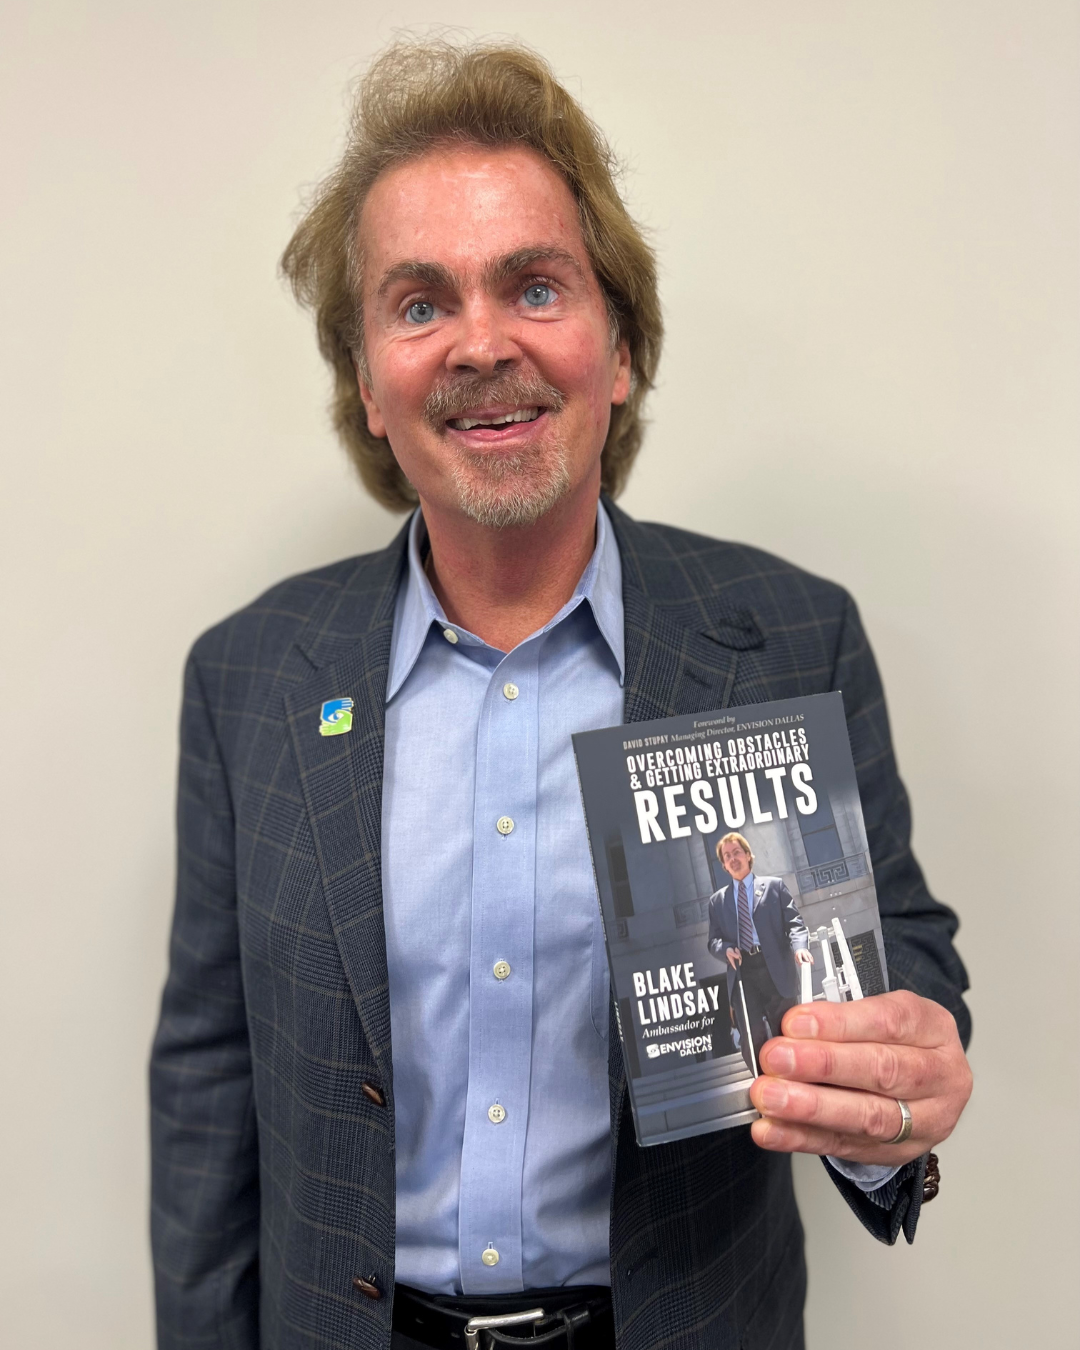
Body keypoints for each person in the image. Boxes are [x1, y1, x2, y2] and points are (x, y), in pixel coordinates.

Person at [149, 39, 973, 1350]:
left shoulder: (789, 635)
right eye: (419, 303)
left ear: (622, 347)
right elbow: (208, 1074)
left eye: (535, 285)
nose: (483, 344)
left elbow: (895, 962)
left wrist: (893, 1092)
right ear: (367, 382)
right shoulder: (248, 675)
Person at [707, 832, 812, 1075]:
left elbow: (794, 923)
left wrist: (801, 948)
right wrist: (725, 949)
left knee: (785, 1028)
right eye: (727, 856)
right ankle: (765, 1083)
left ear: (747, 855)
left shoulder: (774, 886)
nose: (733, 859)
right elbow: (713, 941)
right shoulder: (717, 901)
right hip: (743, 973)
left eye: (736, 852)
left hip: (775, 967)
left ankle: (797, 1078)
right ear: (723, 865)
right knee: (752, 1036)